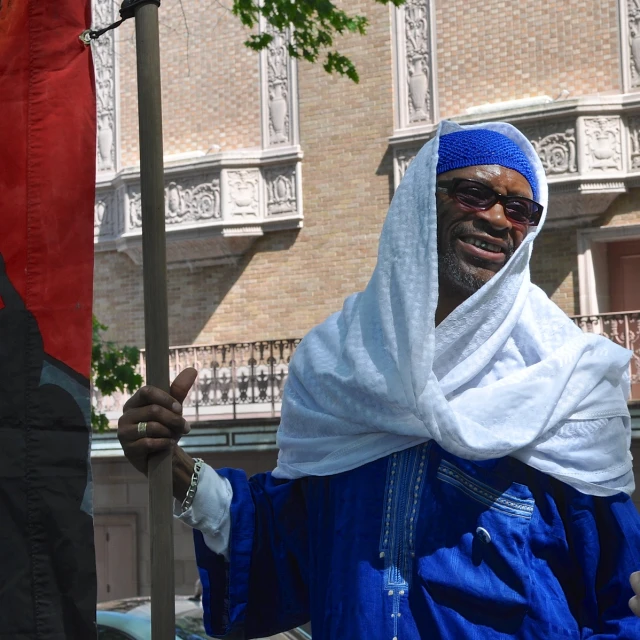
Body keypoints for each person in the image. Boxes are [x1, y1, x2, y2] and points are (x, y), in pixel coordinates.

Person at [118, 121, 640, 638]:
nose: (501, 220)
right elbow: (288, 548)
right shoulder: (336, 367)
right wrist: (174, 468)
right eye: (476, 194)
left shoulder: (570, 386)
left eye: (521, 209)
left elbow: (622, 600)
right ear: (419, 204)